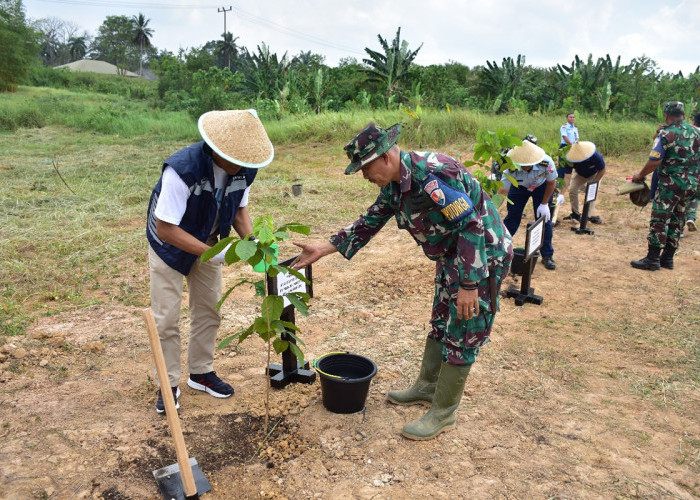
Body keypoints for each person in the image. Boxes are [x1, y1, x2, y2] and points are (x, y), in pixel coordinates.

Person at [292, 123, 513, 440]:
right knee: (440, 320)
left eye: (365, 169)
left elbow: (472, 227)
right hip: (453, 256)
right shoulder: (397, 185)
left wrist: (468, 286)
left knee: (464, 330)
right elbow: (370, 220)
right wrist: (324, 249)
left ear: (384, 157)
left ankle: (443, 413)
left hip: (481, 257)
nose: (366, 177)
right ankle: (427, 386)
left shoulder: (434, 175)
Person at [146, 109, 274, 413]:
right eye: (238, 158)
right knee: (166, 319)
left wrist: (254, 243)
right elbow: (166, 228)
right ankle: (168, 384)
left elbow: (240, 210)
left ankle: (201, 373)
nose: (243, 165)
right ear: (218, 150)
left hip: (209, 239)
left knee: (209, 309)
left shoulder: (245, 170)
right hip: (169, 245)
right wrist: (212, 252)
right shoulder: (182, 170)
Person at [630, 101, 700, 270]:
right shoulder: (697, 132)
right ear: (683, 115)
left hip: (670, 185)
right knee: (678, 218)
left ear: (666, 115)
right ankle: (667, 258)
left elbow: (655, 159)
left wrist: (640, 175)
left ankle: (652, 259)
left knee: (660, 219)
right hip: (691, 185)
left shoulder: (666, 134)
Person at [498, 140, 559, 270]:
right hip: (518, 188)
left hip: (541, 187)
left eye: (527, 165)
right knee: (512, 218)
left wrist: (544, 203)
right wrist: (492, 209)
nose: (524, 168)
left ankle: (547, 255)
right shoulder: (509, 167)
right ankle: (500, 249)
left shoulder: (546, 162)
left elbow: (551, 183)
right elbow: (503, 190)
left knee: (543, 221)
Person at [559, 141, 606, 224]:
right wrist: (561, 194)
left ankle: (587, 217)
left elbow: (602, 170)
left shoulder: (596, 156)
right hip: (580, 174)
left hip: (594, 174)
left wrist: (594, 182)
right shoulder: (570, 159)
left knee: (590, 193)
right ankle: (575, 214)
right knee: (573, 190)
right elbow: (567, 177)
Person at [685, 112, 700, 232]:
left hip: (686, 172)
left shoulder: (688, 133)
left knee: (683, 199)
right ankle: (691, 217)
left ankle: (678, 230)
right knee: (696, 197)